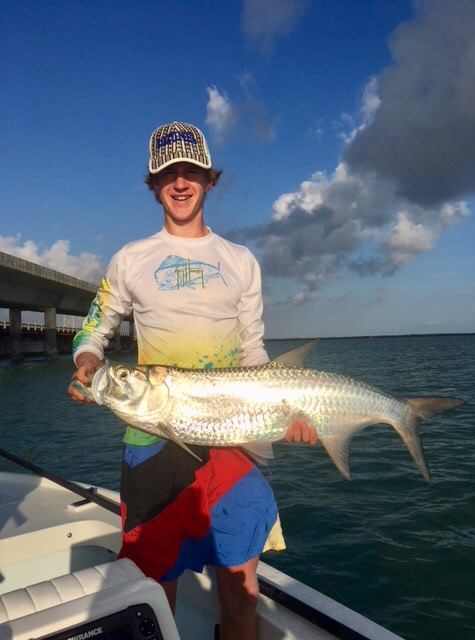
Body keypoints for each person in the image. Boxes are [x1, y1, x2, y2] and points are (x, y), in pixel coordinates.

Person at [68, 121, 317, 640]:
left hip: (233, 444)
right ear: (154, 184)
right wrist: (87, 363)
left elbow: (253, 351)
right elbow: (94, 329)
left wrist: (291, 411)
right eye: (168, 174)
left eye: (191, 173)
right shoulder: (130, 259)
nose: (180, 184)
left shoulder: (241, 260)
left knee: (242, 590)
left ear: (209, 180)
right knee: (156, 590)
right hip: (151, 441)